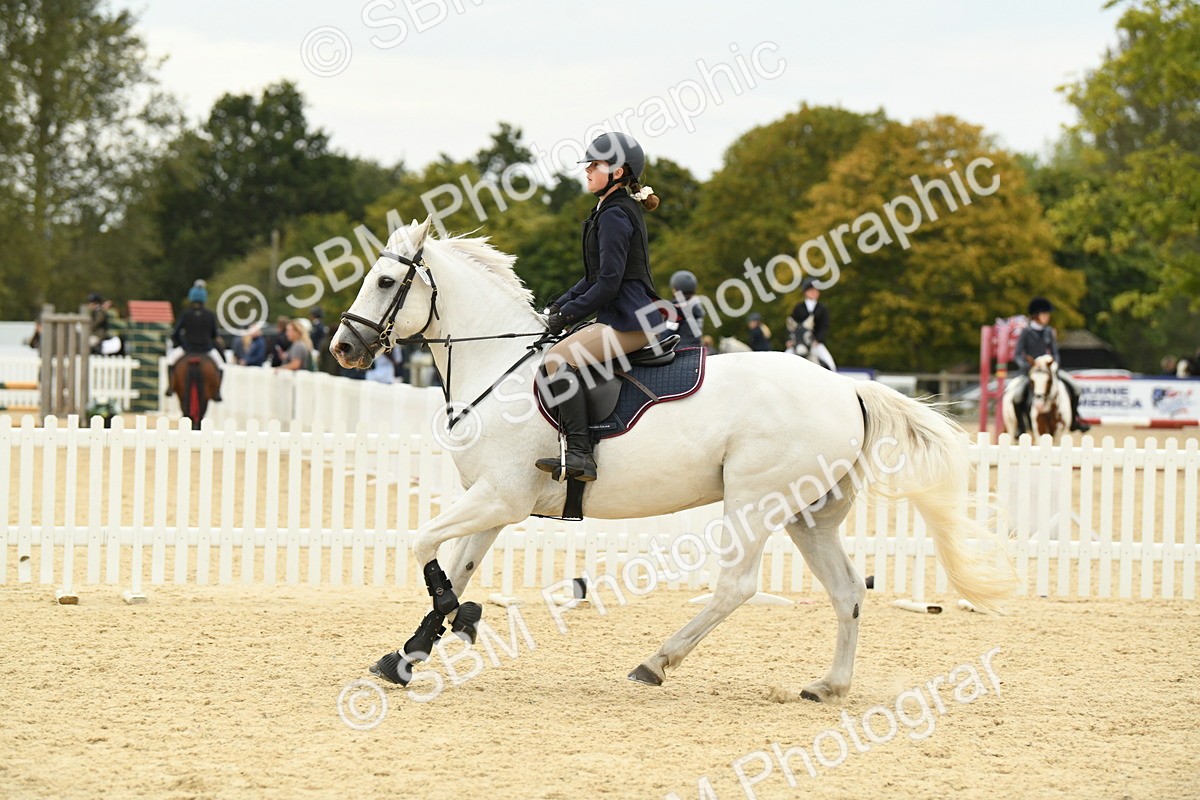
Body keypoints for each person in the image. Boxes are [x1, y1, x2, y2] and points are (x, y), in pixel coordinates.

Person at [536, 132, 662, 481]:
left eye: (595, 165)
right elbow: (592, 278)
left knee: (556, 361)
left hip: (631, 322)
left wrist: (569, 314)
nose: (587, 170)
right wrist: (557, 307)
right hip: (622, 316)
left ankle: (580, 454)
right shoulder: (606, 209)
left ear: (618, 172)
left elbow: (608, 284)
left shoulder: (615, 214)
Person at [1013, 296, 1089, 432]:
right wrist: (1026, 366)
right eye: (1044, 314)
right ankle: (1021, 426)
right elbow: (1018, 354)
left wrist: (1055, 365)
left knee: (1076, 388)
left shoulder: (1048, 331)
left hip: (1049, 370)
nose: (1047, 317)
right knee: (1017, 396)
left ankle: (1074, 419)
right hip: (1032, 372)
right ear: (1036, 315)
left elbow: (1055, 353)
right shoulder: (1025, 332)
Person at [165, 281, 225, 401]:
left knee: (170, 362)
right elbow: (214, 334)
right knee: (220, 365)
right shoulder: (210, 315)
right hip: (206, 350)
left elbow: (175, 333)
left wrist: (181, 343)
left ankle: (171, 387)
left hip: (187, 349)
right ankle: (217, 391)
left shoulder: (186, 314)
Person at [788, 277, 836, 370]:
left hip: (815, 343)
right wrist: (789, 340)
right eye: (811, 290)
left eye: (816, 290)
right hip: (798, 343)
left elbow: (824, 326)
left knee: (831, 364)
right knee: (785, 357)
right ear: (805, 292)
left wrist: (818, 340)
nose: (814, 292)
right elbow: (791, 325)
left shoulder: (822, 308)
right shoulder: (798, 308)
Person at [666, 270, 705, 349]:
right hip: (696, 349)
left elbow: (667, 336)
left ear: (675, 290)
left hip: (680, 351)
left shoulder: (677, 309)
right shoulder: (697, 306)